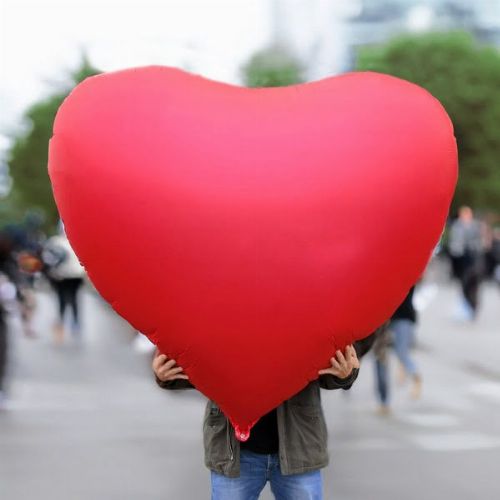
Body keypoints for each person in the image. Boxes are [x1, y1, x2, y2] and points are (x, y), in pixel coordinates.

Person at [152, 344, 360, 500]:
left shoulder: (307, 305)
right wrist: (166, 374)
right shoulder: (217, 306)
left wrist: (345, 374)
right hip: (234, 451)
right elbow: (199, 358)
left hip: (298, 447)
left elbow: (331, 359)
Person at [374, 287, 421, 415]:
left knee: (397, 354)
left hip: (399, 316)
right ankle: (384, 402)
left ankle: (414, 374)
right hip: (384, 317)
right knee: (382, 358)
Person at [43, 224, 85, 342]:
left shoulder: (55, 241)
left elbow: (48, 258)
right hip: (75, 275)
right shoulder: (77, 240)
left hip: (61, 275)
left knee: (62, 299)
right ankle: (74, 323)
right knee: (74, 299)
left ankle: (62, 323)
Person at [448, 206, 485, 320]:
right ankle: (467, 305)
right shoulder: (456, 226)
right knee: (463, 284)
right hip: (460, 260)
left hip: (472, 259)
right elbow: (454, 242)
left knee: (472, 285)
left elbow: (479, 242)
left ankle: (473, 306)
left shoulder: (475, 226)